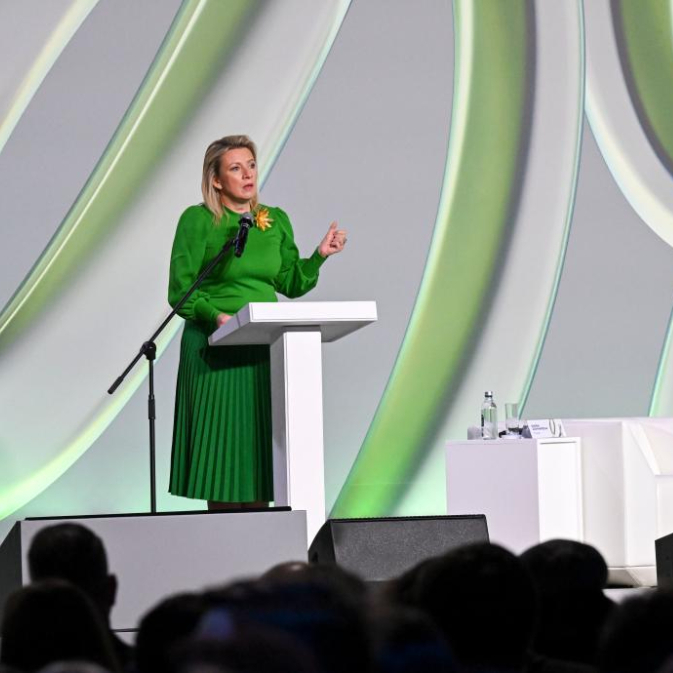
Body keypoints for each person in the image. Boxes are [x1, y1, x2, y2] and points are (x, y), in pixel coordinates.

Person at [168, 135, 346, 510]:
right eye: (236, 168)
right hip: (215, 350)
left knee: (260, 456)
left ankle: (264, 537)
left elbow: (291, 283)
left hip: (264, 348)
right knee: (222, 459)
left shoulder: (274, 220)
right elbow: (181, 291)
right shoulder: (197, 221)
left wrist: (319, 256)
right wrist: (217, 317)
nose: (248, 174)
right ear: (216, 180)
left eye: (251, 165)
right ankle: (225, 538)